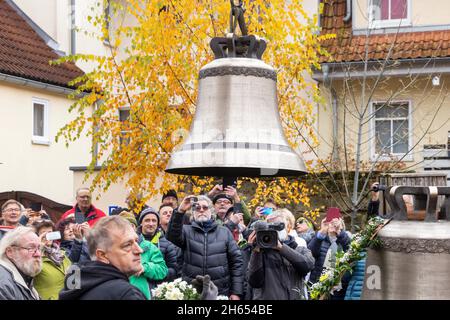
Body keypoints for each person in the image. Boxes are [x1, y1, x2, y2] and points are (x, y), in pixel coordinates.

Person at [166, 195, 244, 300]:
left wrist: (236, 292)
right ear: (193, 213)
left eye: (205, 207)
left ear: (211, 211)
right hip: (192, 292)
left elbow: (236, 262)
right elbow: (172, 236)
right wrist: (180, 211)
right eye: (197, 208)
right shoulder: (186, 231)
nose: (201, 210)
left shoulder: (224, 232)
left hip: (219, 292)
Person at [59, 216, 146, 300]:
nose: (139, 250)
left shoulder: (76, 286)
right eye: (127, 245)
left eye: (136, 241)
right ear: (102, 255)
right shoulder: (126, 294)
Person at [246, 211, 315, 300]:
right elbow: (254, 282)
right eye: (270, 227)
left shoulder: (300, 250)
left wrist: (281, 248)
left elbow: (307, 266)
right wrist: (256, 251)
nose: (274, 230)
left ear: (289, 227)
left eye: (277, 226)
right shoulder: (262, 253)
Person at [121, 213, 168, 300]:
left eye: (130, 225)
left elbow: (162, 270)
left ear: (134, 227)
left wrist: (145, 268)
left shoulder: (149, 246)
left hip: (141, 295)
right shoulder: (114, 248)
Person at [308, 208, 351, 299]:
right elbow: (310, 253)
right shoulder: (319, 238)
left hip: (339, 289)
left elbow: (350, 250)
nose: (332, 225)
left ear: (341, 225)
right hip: (318, 286)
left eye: (335, 223)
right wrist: (322, 232)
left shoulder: (345, 239)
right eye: (329, 223)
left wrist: (339, 232)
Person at [138, 207, 180, 282]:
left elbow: (174, 270)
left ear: (158, 223)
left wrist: (155, 273)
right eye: (147, 220)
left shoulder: (167, 245)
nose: (151, 224)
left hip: (158, 288)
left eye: (154, 221)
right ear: (141, 222)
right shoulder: (134, 242)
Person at [33, 220, 72, 300]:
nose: (47, 236)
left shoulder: (62, 254)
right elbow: (28, 273)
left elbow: (75, 284)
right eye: (43, 233)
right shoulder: (34, 256)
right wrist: (39, 248)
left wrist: (72, 276)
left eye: (50, 232)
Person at [0, 226, 42, 300]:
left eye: (38, 248)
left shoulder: (24, 274)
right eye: (30, 248)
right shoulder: (3, 284)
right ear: (10, 252)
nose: (38, 254)